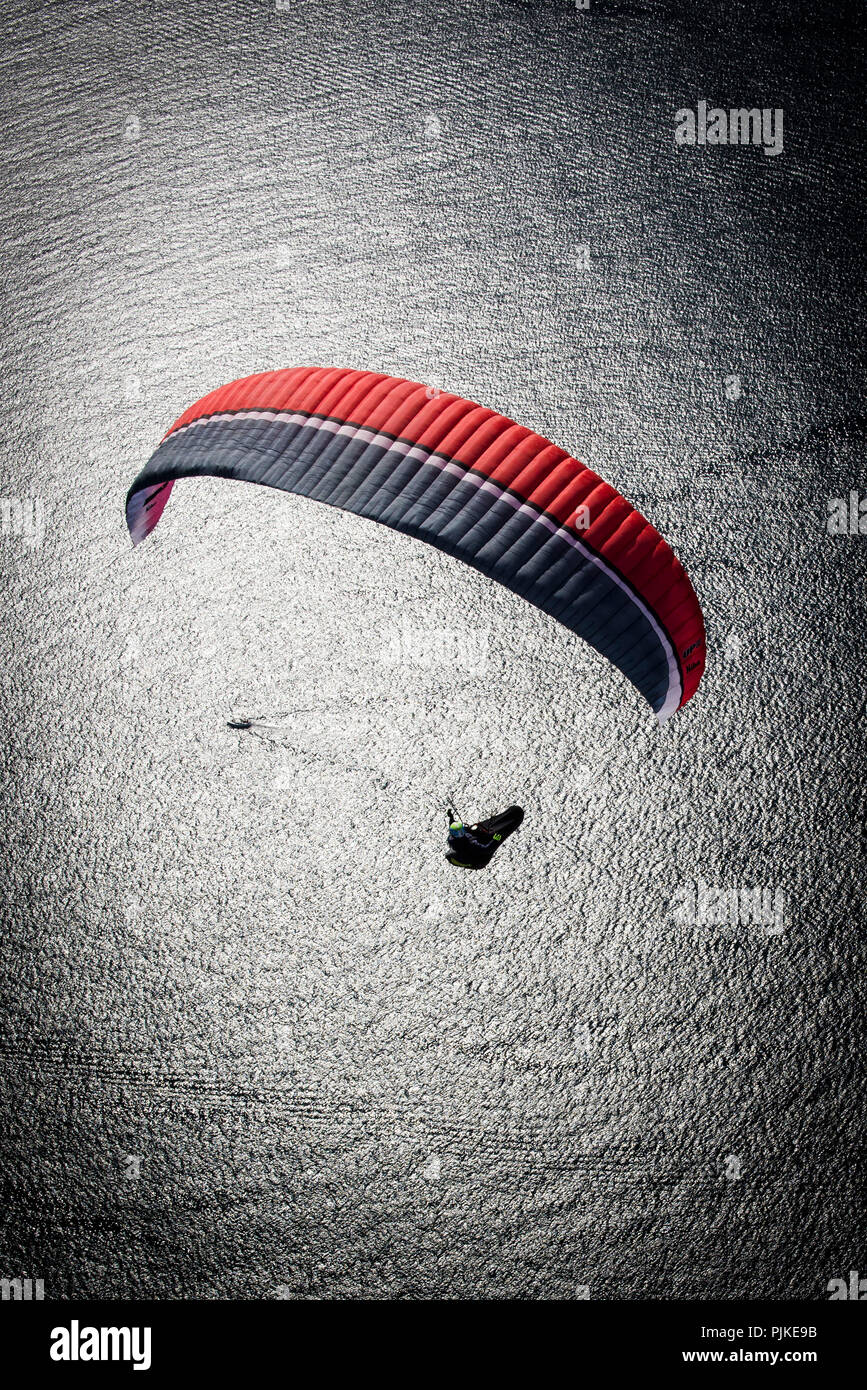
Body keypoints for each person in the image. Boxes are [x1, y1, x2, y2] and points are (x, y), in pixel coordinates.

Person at [445, 805, 524, 870]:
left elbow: (453, 825)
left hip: (461, 853)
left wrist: (451, 817)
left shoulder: (452, 837)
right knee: (485, 846)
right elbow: (487, 849)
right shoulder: (471, 845)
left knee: (473, 830)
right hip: (479, 860)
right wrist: (495, 840)